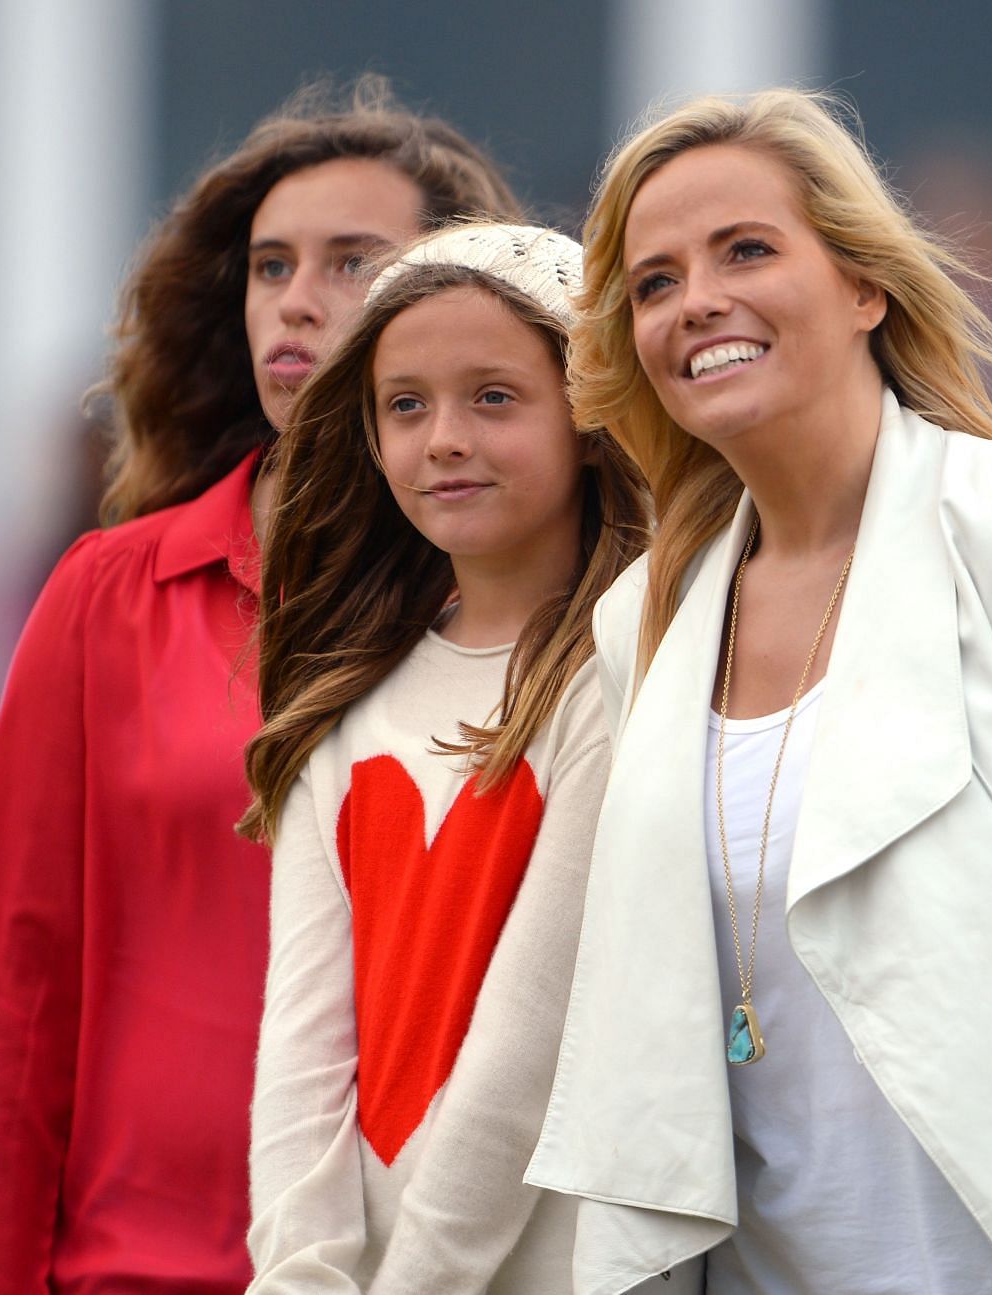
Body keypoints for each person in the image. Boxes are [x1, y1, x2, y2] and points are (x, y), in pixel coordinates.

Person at [524, 91, 992, 1294]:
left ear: (866, 287)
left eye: (746, 249)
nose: (696, 298)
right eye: (654, 281)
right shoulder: (642, 619)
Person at [0, 81, 521, 1293]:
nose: (297, 299)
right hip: (139, 1264)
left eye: (354, 261)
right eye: (269, 266)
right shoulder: (109, 595)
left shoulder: (527, 611)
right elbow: (9, 1000)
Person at [239, 223, 650, 1292]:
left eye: (495, 397)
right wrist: (300, 1274)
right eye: (406, 404)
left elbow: (528, 1037)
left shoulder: (622, 677)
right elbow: (302, 1052)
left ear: (591, 420)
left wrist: (417, 1280)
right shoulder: (338, 709)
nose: (445, 439)